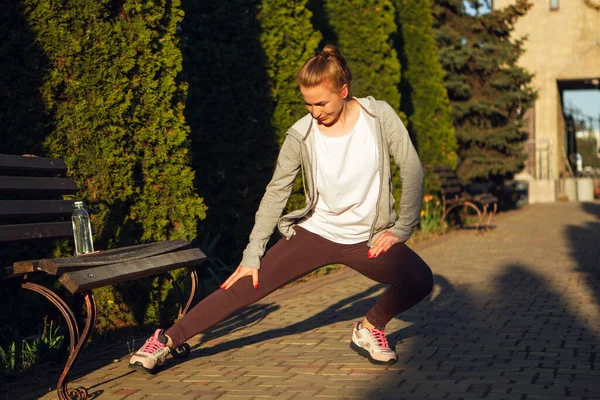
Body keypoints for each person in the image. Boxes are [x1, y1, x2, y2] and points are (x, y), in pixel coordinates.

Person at [129, 44, 433, 370]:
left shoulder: (378, 116)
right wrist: (252, 254)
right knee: (245, 284)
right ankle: (166, 340)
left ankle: (370, 328)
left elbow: (411, 166)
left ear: (343, 91)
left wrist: (402, 228)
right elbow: (276, 193)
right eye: (308, 103)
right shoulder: (301, 136)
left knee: (419, 279)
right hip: (315, 234)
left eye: (322, 103)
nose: (315, 112)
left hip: (366, 240)